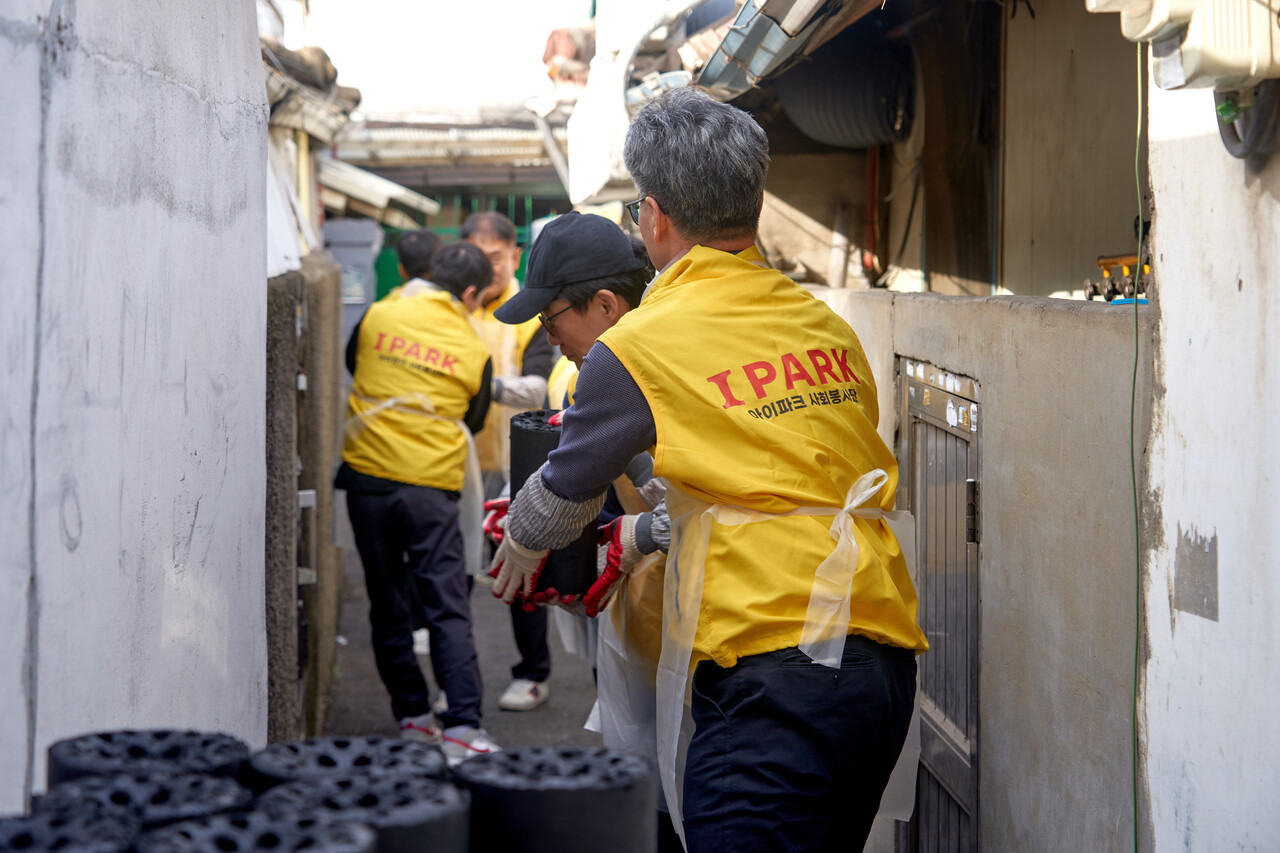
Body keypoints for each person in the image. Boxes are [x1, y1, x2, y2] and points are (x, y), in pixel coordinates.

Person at [488, 87, 928, 852]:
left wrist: (520, 543)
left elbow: (562, 495)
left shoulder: (640, 343)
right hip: (880, 653)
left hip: (773, 667)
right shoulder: (824, 326)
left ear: (653, 217)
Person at [335, 239, 501, 766]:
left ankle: (411, 718)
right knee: (446, 606)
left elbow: (353, 364)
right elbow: (473, 421)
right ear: (470, 292)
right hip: (430, 488)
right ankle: (462, 728)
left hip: (367, 483)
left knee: (387, 603)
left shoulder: (378, 314)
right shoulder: (474, 347)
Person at [463, 212, 557, 713]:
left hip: (517, 464)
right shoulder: (456, 310)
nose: (489, 268)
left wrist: (475, 387)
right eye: (480, 258)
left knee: (521, 568)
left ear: (514, 256)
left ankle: (533, 673)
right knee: (453, 569)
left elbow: (539, 386)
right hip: (460, 463)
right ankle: (452, 681)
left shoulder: (526, 313)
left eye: (496, 258)